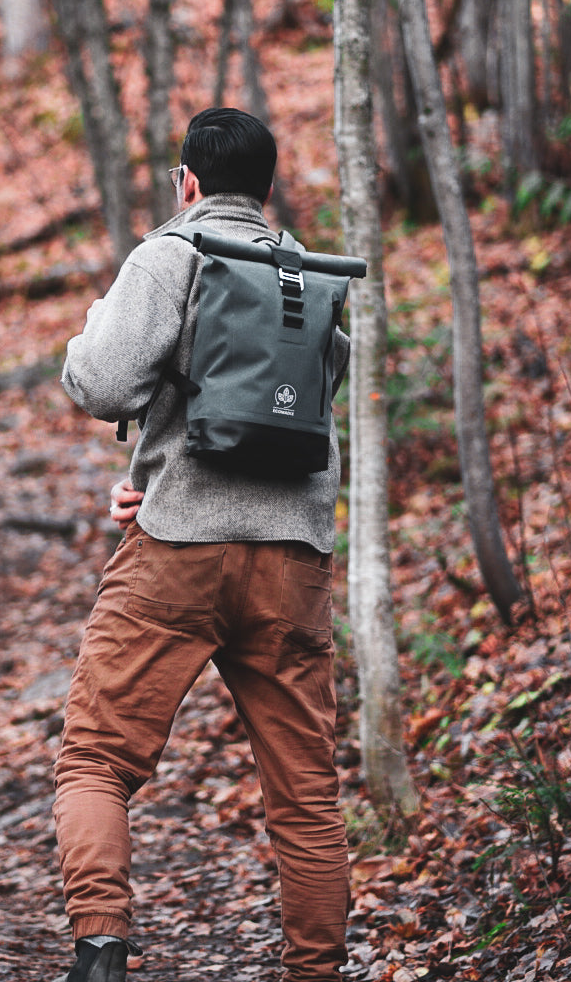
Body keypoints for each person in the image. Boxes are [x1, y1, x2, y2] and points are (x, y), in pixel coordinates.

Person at [53, 107, 351, 982]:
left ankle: (102, 944)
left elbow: (100, 379)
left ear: (187, 183)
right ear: (267, 189)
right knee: (305, 797)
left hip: (178, 550)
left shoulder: (169, 254)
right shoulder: (311, 274)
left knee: (96, 757)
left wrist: (93, 323)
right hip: (292, 559)